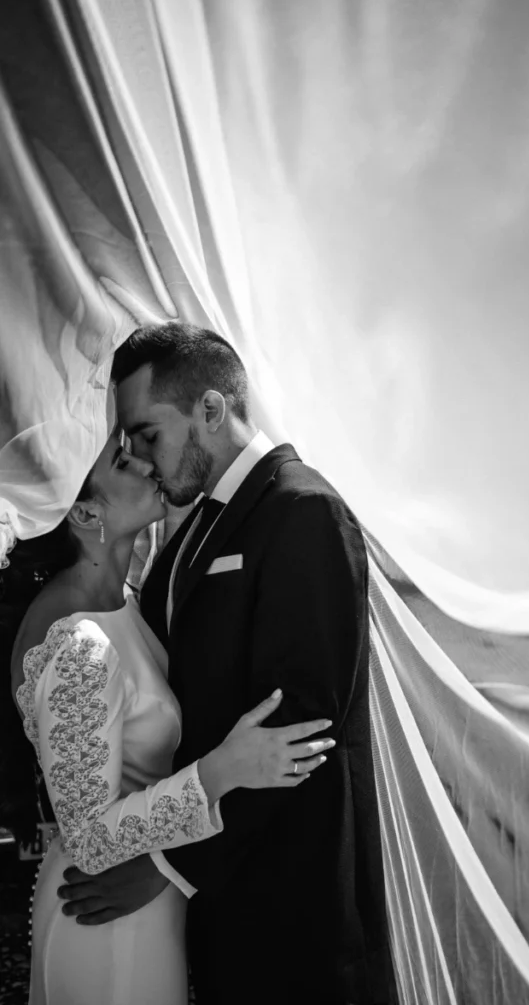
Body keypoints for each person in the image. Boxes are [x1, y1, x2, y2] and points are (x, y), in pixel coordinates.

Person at [59, 323, 396, 1004]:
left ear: (210, 410)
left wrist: (169, 866)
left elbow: (302, 731)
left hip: (292, 920)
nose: (145, 460)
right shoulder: (197, 528)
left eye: (149, 434)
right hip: (217, 918)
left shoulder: (302, 511)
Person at [3, 432, 335, 1005]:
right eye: (122, 460)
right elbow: (89, 839)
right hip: (104, 916)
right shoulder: (80, 644)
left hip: (141, 908)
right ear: (85, 511)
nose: (147, 462)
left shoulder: (125, 601)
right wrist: (221, 773)